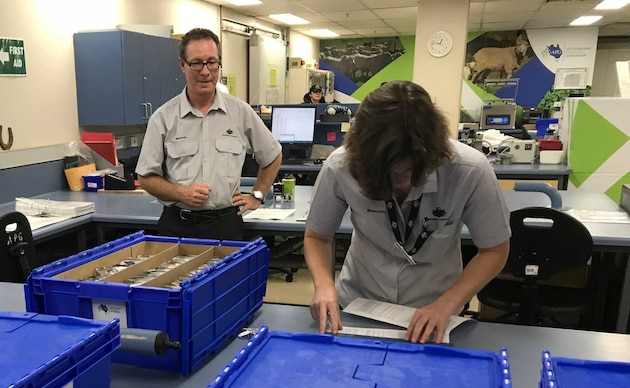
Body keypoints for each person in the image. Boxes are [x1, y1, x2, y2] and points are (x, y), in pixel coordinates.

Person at [304, 80, 510, 343]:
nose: (398, 183)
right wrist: (324, 286)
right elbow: (317, 237)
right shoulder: (340, 165)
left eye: (408, 171)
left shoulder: (470, 170)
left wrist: (445, 305)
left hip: (435, 309)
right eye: (387, 173)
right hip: (359, 304)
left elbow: (494, 251)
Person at [136, 28, 282, 240]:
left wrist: (257, 195)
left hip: (226, 225)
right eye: (196, 63)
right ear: (182, 65)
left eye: (212, 62)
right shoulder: (163, 118)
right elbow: (146, 178)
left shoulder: (240, 112)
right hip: (177, 225)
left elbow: (273, 154)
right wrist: (181, 193)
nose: (205, 71)